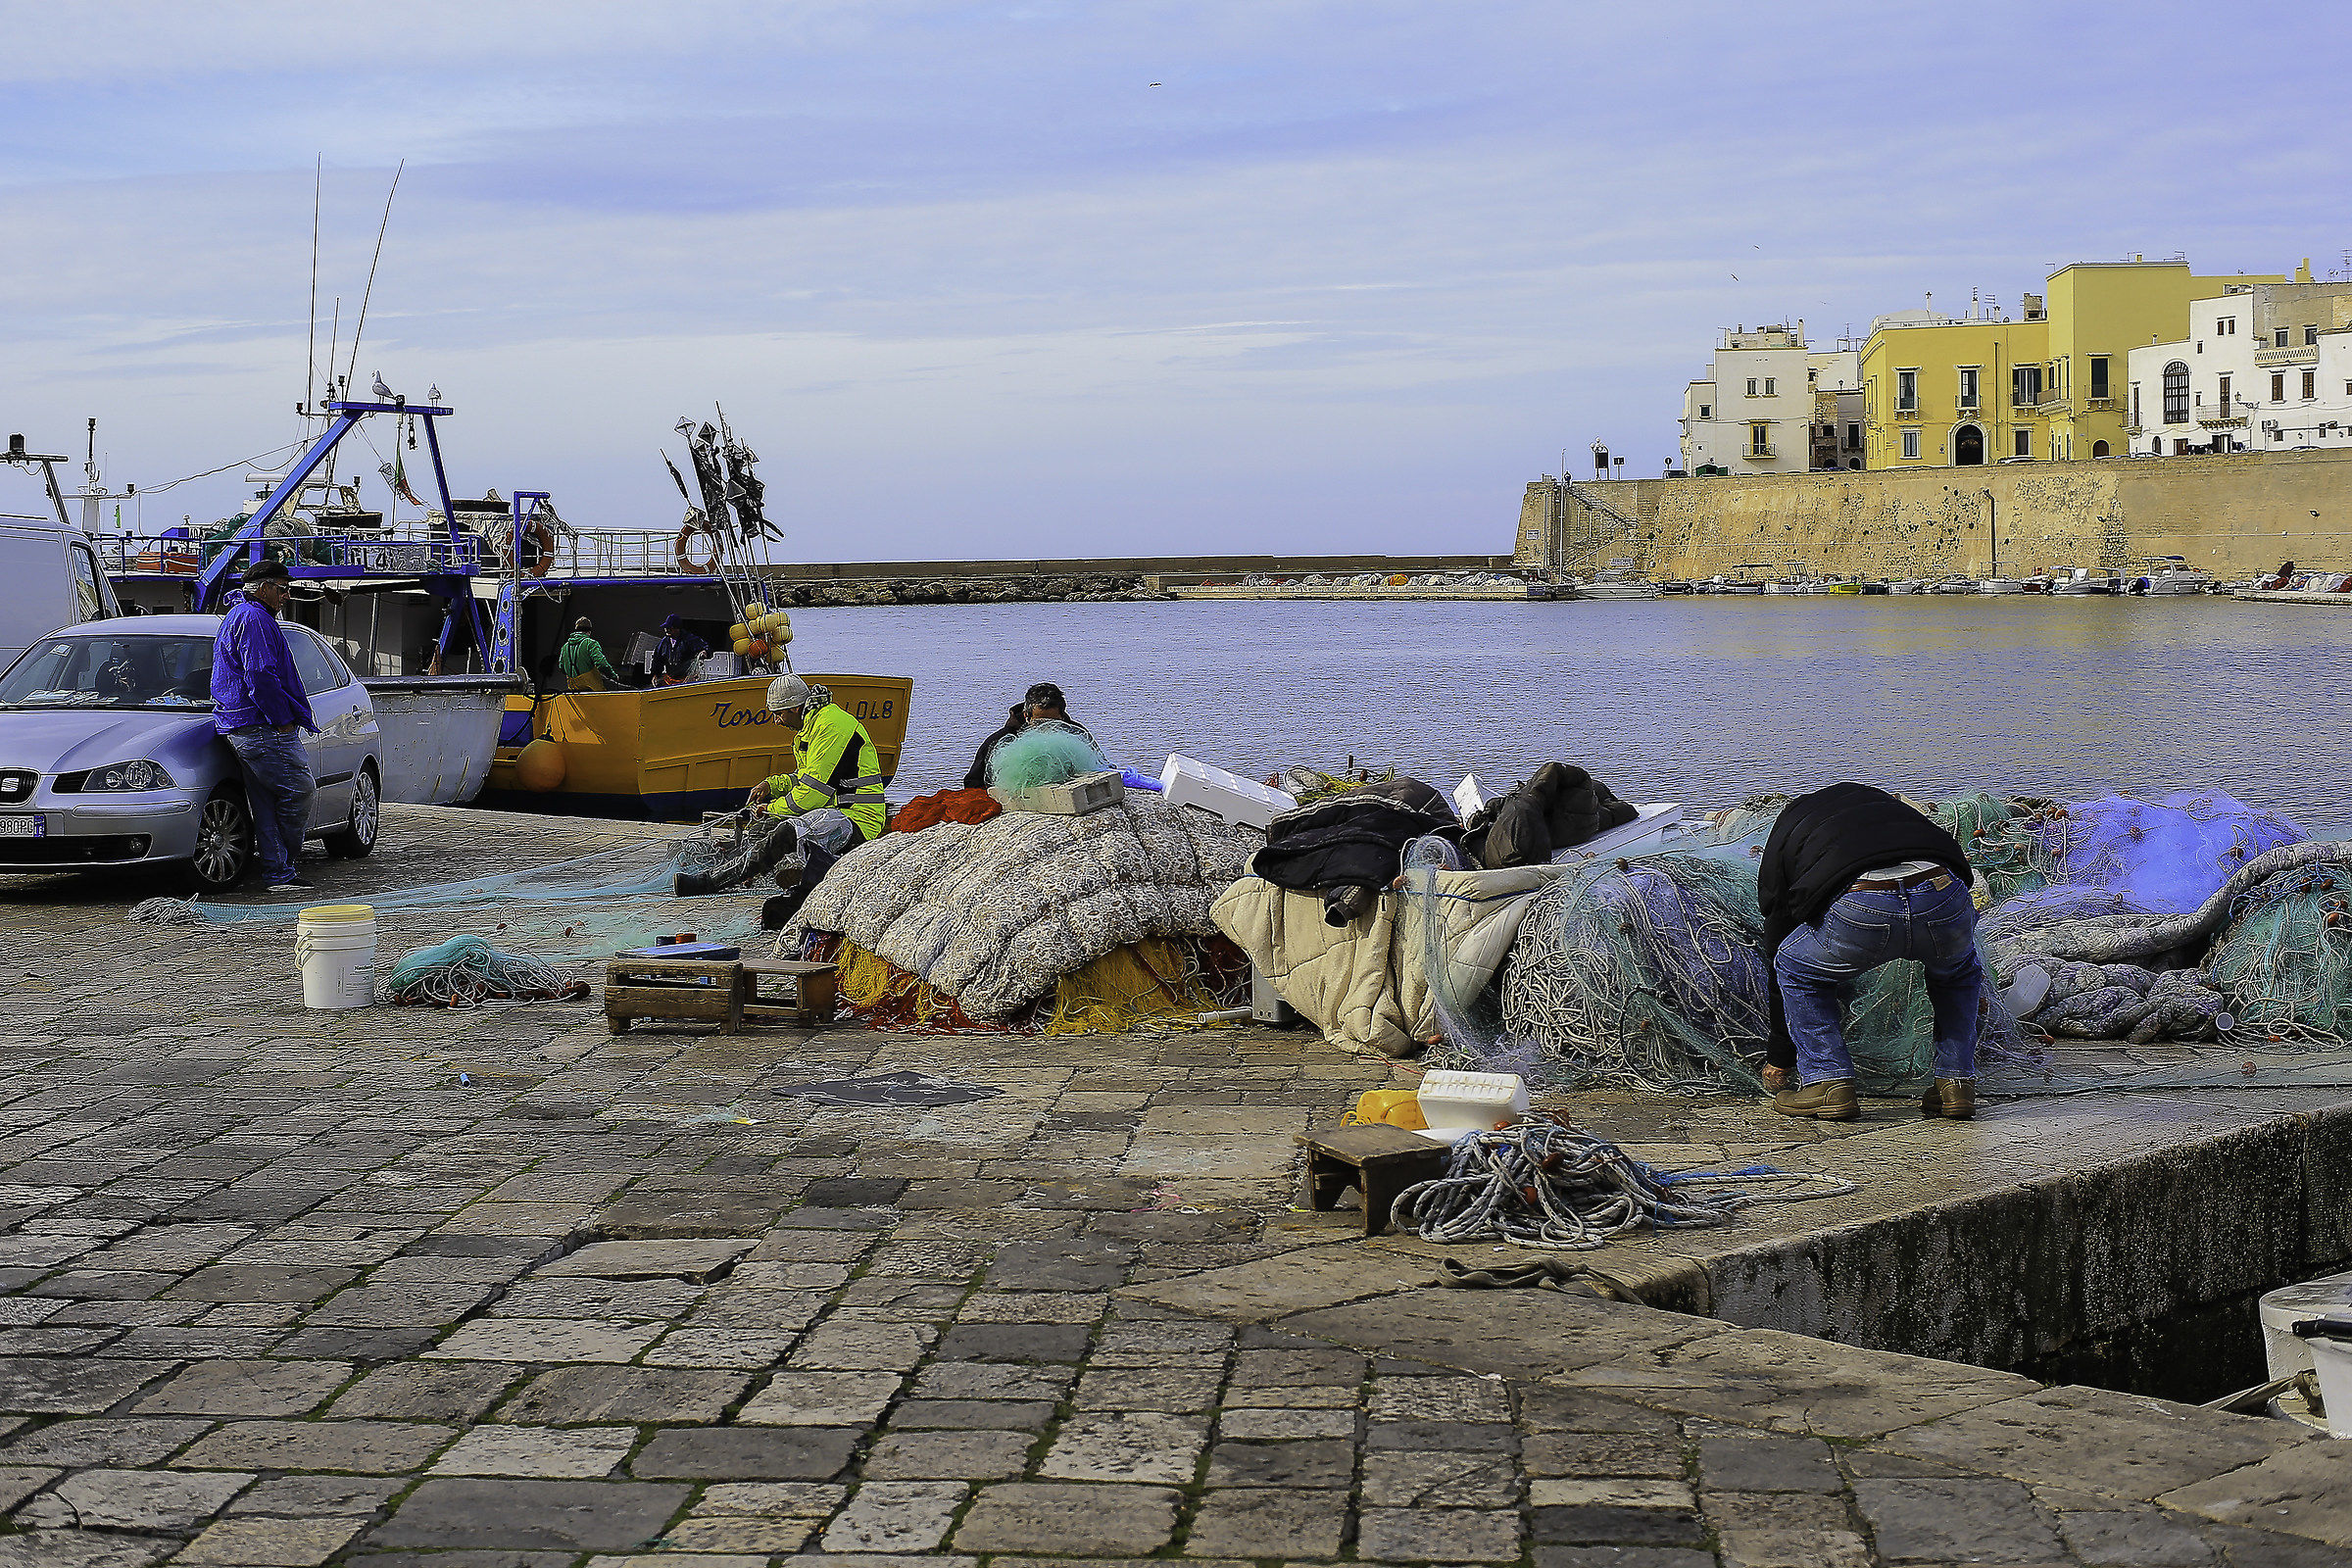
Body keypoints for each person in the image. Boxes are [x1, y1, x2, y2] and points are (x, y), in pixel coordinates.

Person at [1758, 782, 1982, 1122]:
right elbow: (1958, 867)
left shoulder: (1792, 823)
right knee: (1957, 973)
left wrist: (1780, 1054)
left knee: (1792, 964)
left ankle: (1827, 1081)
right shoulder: (1893, 808)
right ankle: (1956, 1084)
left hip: (1864, 900)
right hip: (1943, 889)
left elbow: (1778, 923)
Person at [675, 675, 886, 920]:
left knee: (787, 830)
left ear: (795, 708)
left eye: (779, 714)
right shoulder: (813, 726)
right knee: (763, 827)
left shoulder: (832, 726)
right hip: (833, 810)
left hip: (856, 820)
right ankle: (740, 872)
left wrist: (772, 807)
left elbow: (812, 795)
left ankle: (710, 883)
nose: (776, 721)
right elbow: (804, 778)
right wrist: (772, 785)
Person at [210, 559, 318, 893]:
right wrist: (282, 719)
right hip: (262, 726)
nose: (287, 596)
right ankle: (281, 864)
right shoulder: (255, 620)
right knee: (300, 791)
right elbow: (260, 674)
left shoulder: (239, 615)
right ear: (264, 589)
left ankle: (278, 873)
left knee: (266, 801)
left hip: (241, 724)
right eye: (283, 589)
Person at [962, 682, 1096, 789]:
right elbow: (973, 783)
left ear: (1062, 716)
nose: (1046, 728)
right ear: (1027, 715)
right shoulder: (1001, 740)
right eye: (1039, 723)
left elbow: (1099, 764)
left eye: (1053, 722)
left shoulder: (1077, 733)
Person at [557, 616, 622, 691]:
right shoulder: (590, 643)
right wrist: (613, 676)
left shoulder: (565, 647)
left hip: (574, 689)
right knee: (628, 689)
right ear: (589, 631)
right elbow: (602, 664)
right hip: (592, 688)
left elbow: (561, 668)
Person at [651, 614, 710, 685]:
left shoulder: (689, 639)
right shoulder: (664, 643)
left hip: (687, 679)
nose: (667, 630)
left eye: (670, 628)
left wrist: (705, 652)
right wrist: (655, 674)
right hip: (670, 680)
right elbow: (657, 659)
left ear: (677, 628)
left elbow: (706, 647)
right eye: (666, 627)